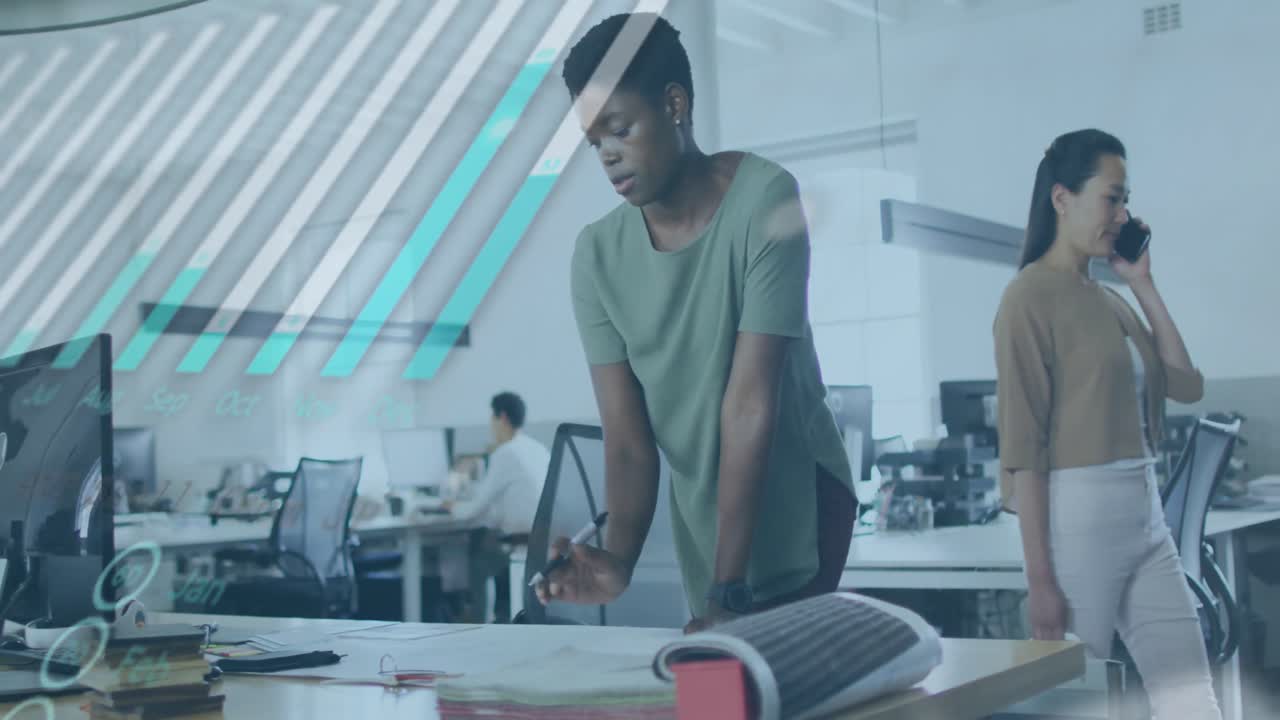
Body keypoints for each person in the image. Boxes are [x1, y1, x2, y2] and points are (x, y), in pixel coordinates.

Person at [537, 13, 856, 633]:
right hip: (706, 528)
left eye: (619, 129)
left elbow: (749, 406)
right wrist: (618, 559)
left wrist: (728, 591)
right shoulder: (597, 256)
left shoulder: (764, 199)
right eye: (592, 141)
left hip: (798, 508)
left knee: (777, 685)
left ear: (674, 104)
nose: (606, 154)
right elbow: (628, 440)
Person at [994, 129, 1219, 718]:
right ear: (1062, 198)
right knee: (1073, 703)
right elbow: (1025, 451)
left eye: (1125, 201)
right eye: (1111, 199)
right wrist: (1041, 581)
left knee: (1192, 698)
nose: (1121, 214)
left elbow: (1186, 386)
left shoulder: (1105, 294)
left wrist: (1141, 282)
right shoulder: (1027, 298)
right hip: (1080, 520)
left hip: (1144, 514)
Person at [446, 391, 550, 621]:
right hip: (546, 539)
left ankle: (481, 625)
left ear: (501, 418)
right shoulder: (537, 448)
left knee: (478, 562)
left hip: (523, 541)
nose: (491, 427)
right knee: (485, 545)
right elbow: (502, 508)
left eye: (491, 420)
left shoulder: (506, 452)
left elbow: (475, 510)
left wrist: (451, 507)